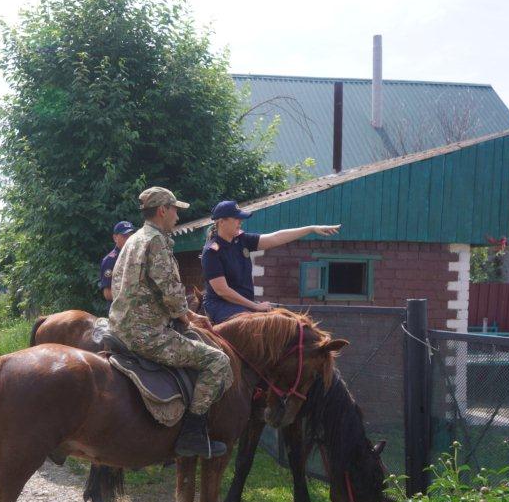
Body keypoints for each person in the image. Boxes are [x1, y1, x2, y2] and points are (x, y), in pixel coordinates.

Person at [109, 186, 232, 458]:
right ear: (163, 210)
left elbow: (120, 284)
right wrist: (184, 317)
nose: (177, 215)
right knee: (218, 361)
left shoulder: (135, 239)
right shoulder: (157, 241)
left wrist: (188, 314)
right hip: (146, 334)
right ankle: (192, 434)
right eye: (175, 209)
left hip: (121, 326)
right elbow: (171, 290)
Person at [201, 200, 341, 324]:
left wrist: (311, 229)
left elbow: (276, 237)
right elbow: (222, 291)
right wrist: (255, 306)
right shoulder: (212, 251)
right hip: (221, 306)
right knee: (253, 326)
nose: (240, 221)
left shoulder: (242, 240)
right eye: (236, 218)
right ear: (221, 221)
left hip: (244, 306)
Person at [99, 220, 135, 303]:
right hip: (118, 311)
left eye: (131, 236)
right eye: (125, 236)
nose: (129, 239)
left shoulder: (136, 256)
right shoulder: (110, 260)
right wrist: (131, 299)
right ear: (115, 238)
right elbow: (107, 293)